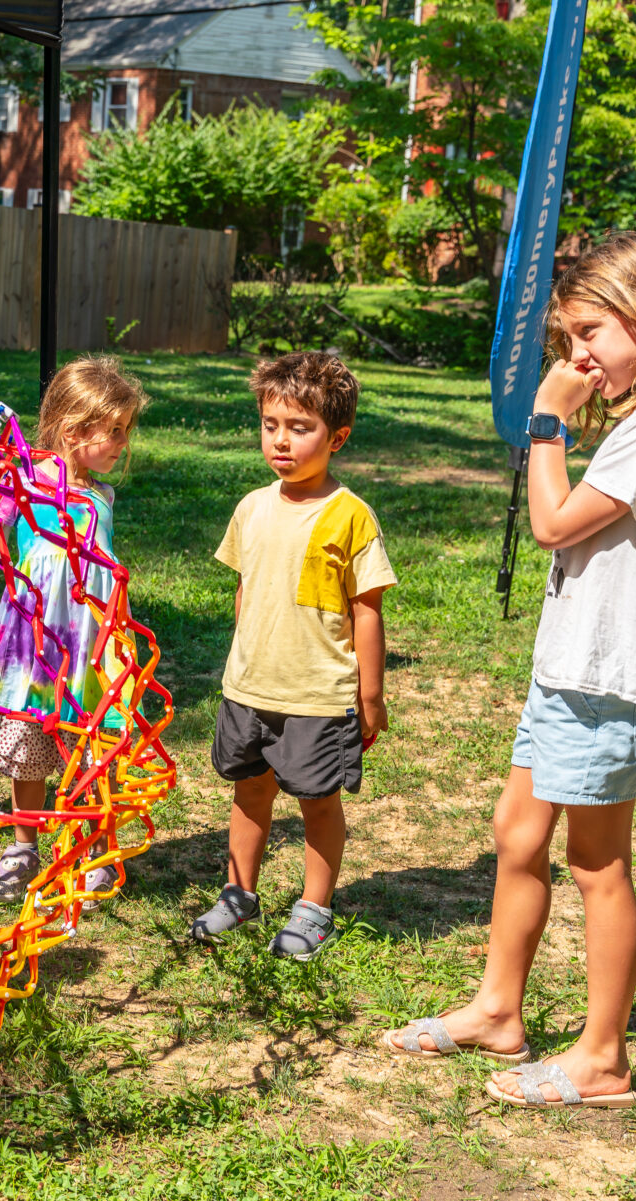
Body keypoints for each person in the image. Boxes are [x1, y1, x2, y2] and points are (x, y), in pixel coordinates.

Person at [382, 233, 636, 1110]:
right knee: (517, 834)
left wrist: (545, 420)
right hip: (569, 668)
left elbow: (554, 521)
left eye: (589, 335)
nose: (578, 358)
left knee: (596, 863)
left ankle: (604, 1058)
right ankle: (500, 1008)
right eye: (568, 343)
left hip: (608, 678)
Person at [189, 352, 396, 958]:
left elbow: (367, 611)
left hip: (318, 695)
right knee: (249, 793)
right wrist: (240, 668)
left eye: (299, 428)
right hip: (249, 688)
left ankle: (313, 908)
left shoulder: (352, 516)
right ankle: (237, 894)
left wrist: (370, 696)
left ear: (337, 437)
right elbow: (245, 592)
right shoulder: (252, 506)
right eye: (270, 424)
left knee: (316, 801)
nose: (281, 440)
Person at [0, 355, 148, 909]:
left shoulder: (102, 498)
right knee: (28, 743)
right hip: (33, 641)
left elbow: (108, 571)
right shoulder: (22, 483)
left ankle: (90, 848)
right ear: (73, 430)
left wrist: (121, 636)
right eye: (112, 430)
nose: (121, 442)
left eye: (124, 431)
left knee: (94, 747)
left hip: (92, 644)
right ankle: (23, 848)